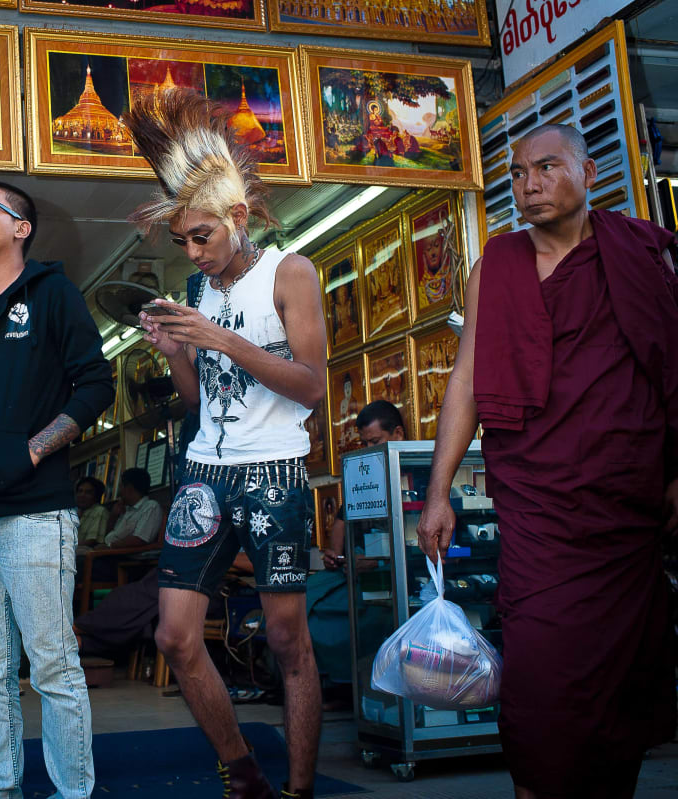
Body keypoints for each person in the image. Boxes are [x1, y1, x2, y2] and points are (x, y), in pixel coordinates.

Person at [416, 123, 677, 799]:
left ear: (589, 172)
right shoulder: (494, 267)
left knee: (618, 696)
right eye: (519, 174)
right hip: (540, 513)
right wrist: (437, 490)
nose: (530, 185)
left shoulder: (640, 253)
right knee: (538, 682)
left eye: (547, 168)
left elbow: (670, 367)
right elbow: (468, 377)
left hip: (627, 507)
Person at [126, 89, 327, 799]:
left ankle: (299, 787)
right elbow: (194, 400)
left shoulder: (289, 273)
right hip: (204, 471)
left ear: (239, 217)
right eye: (183, 239)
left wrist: (218, 337)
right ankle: (243, 772)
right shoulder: (198, 290)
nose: (193, 251)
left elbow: (311, 387)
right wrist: (172, 349)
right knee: (175, 636)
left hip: (274, 468)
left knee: (284, 638)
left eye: (203, 236)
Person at [0, 180, 114, 799]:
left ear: (21, 227)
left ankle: (73, 793)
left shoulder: (53, 295)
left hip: (34, 513)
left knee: (54, 666)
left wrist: (33, 450)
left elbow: (96, 385)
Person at [320, 400, 407, 571]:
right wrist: (334, 557)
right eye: (365, 444)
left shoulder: (417, 474)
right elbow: (343, 519)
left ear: (398, 434)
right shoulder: (363, 477)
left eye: (375, 442)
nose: (368, 449)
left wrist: (378, 561)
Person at [103, 468, 162, 548]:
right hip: (107, 551)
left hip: (121, 555)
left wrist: (109, 546)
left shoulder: (151, 506)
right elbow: (110, 536)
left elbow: (139, 540)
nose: (119, 492)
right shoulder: (125, 508)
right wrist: (113, 517)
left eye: (120, 486)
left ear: (129, 488)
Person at [75, 476, 110, 548]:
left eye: (88, 492)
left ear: (96, 496)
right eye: (80, 491)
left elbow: (90, 542)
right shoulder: (76, 512)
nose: (82, 495)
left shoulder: (99, 511)